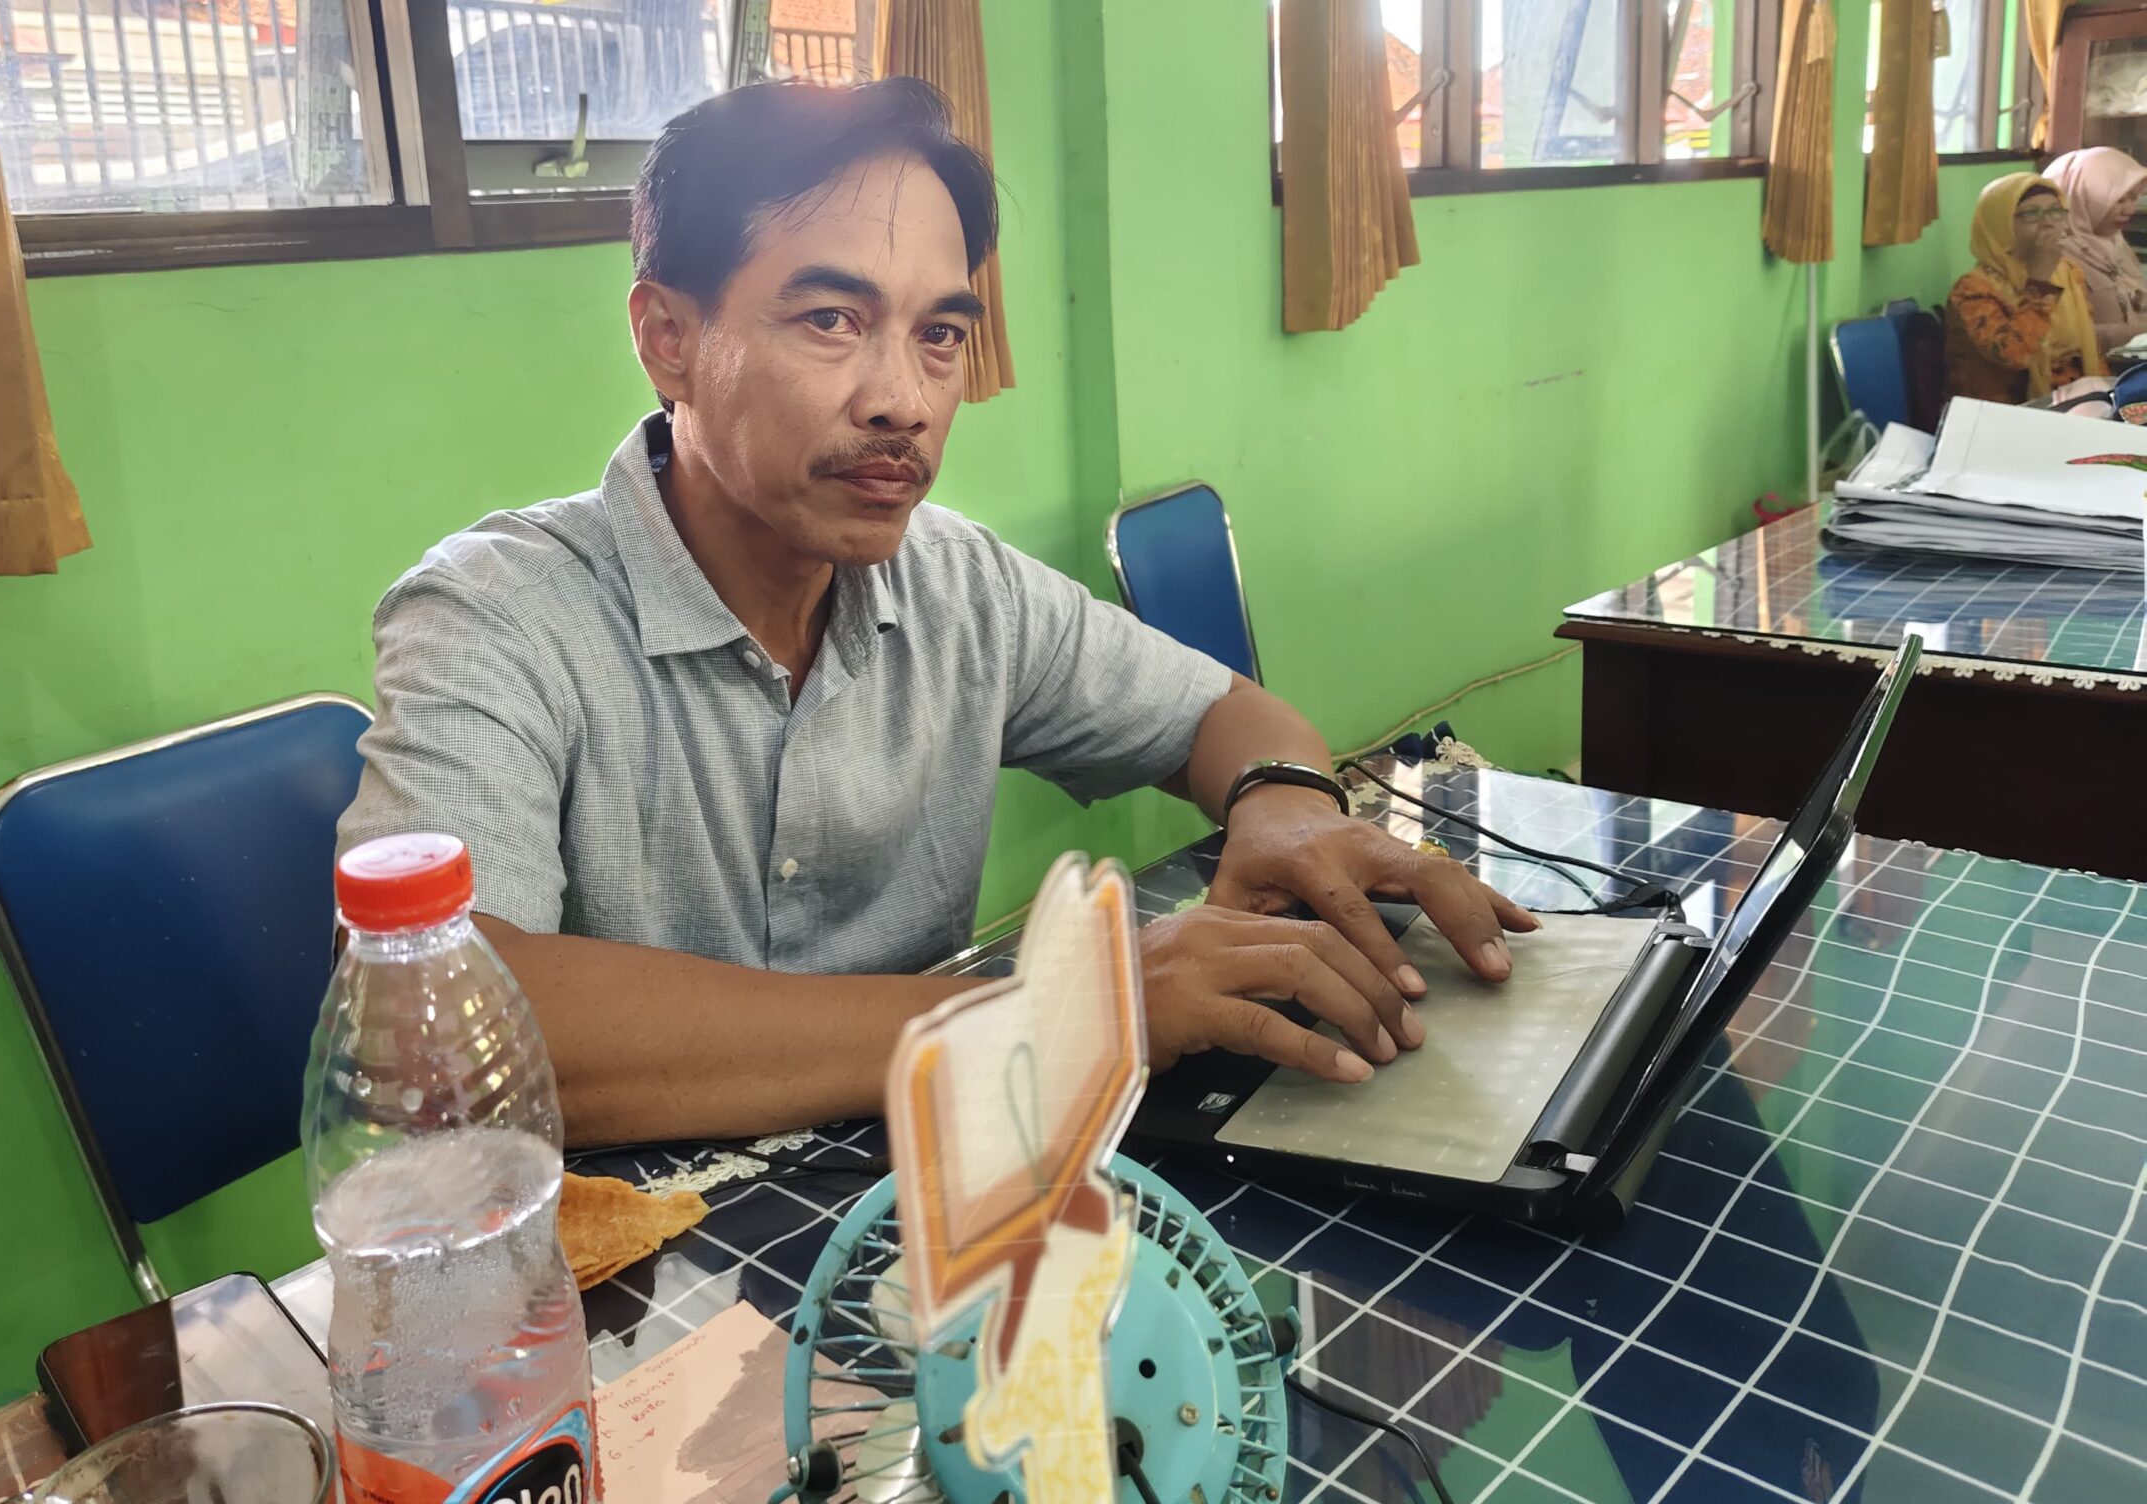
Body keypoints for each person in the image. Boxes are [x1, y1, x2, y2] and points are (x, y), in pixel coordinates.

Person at [339, 77, 1538, 1146]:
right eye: (830, 321)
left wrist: (1285, 808)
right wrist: (1062, 1011)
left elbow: (1229, 717)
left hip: (927, 1208)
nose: (902, 402)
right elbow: (434, 1038)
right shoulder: (495, 615)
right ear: (668, 339)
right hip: (635, 1284)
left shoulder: (958, 584)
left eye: (940, 335)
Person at [1943, 172, 2108, 404]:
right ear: (2000, 225)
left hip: (2073, 397)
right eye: (2032, 214)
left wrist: (2108, 395)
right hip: (2004, 409)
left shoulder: (2068, 273)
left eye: (2055, 211)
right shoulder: (1973, 289)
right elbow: (2013, 355)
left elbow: (2088, 348)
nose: (2048, 222)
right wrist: (2039, 283)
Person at [2043, 146, 2147, 351]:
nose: (2130, 210)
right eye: (2119, 200)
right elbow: (2059, 336)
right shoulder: (2052, 257)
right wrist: (2136, 333)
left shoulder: (2115, 244)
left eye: (2134, 198)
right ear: (2081, 196)